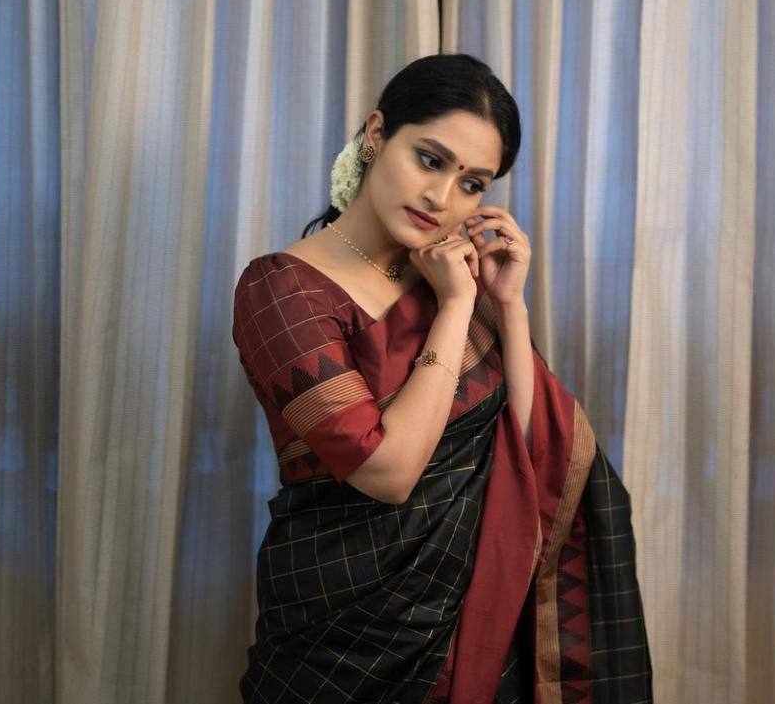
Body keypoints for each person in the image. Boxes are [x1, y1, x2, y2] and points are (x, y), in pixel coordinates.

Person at [232, 54, 653, 703]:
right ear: (377, 134)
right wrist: (456, 307)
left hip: (477, 629)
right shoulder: (282, 290)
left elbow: (535, 444)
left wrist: (507, 304)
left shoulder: (449, 277)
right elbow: (388, 472)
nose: (442, 198)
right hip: (340, 636)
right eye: (430, 159)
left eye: (472, 183)